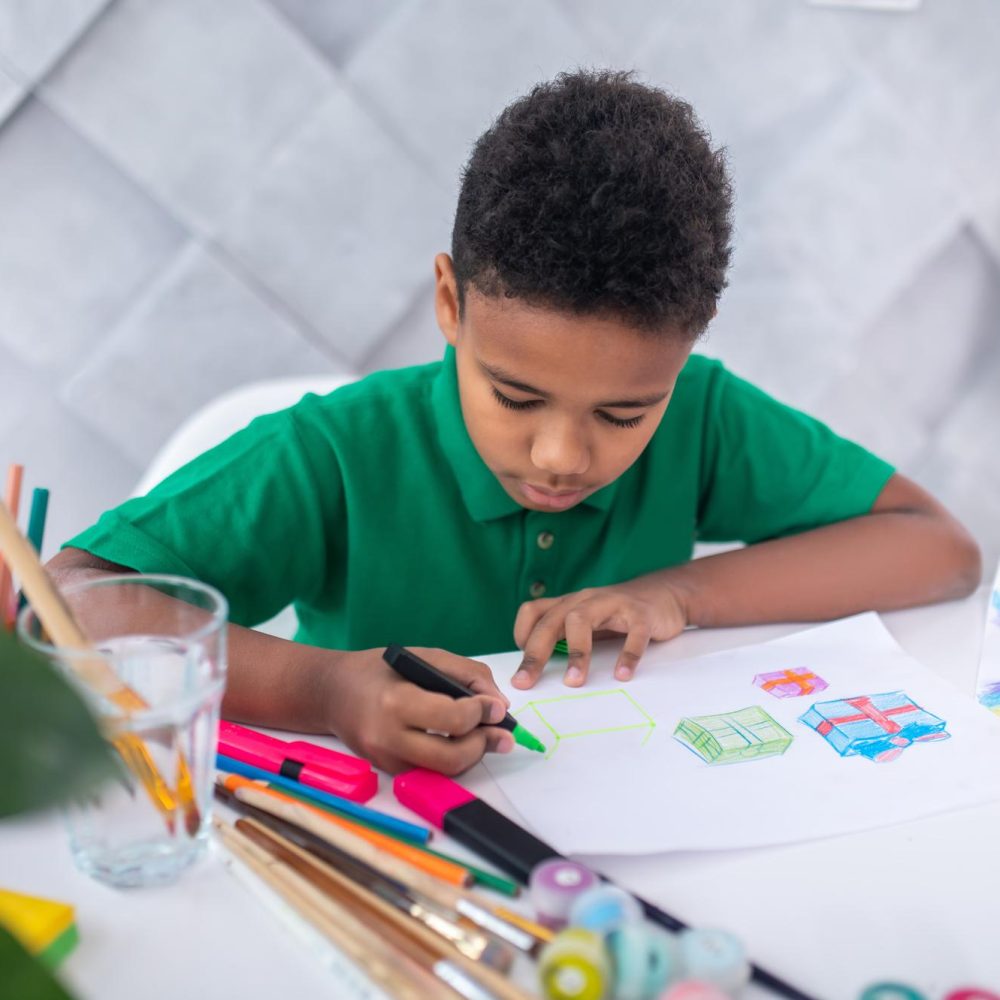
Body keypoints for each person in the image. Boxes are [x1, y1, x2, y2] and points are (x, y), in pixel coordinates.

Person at [48, 70, 981, 775]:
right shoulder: (335, 453)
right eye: (516, 396)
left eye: (625, 412)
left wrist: (681, 595)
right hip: (378, 842)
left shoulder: (703, 413)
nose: (562, 456)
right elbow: (69, 600)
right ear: (450, 305)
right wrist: (324, 690)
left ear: (683, 354)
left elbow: (936, 548)